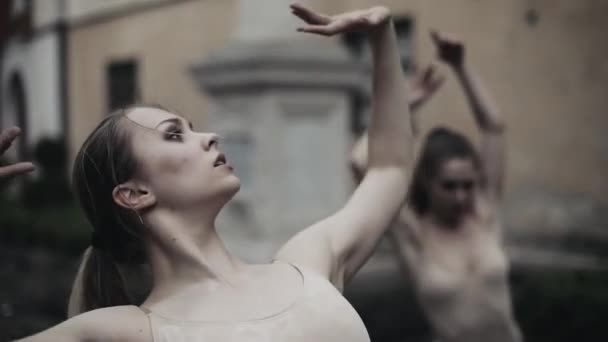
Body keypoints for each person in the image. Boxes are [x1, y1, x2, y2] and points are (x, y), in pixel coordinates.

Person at [7, 4, 415, 342]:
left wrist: (382, 40)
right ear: (133, 193)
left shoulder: (307, 264)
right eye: (174, 135)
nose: (210, 136)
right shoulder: (127, 330)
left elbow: (389, 168)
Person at [350, 31, 523, 342]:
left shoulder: (485, 212)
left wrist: (460, 65)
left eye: (468, 185)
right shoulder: (412, 233)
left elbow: (494, 127)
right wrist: (401, 106)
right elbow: (360, 162)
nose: (462, 195)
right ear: (428, 183)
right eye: (450, 185)